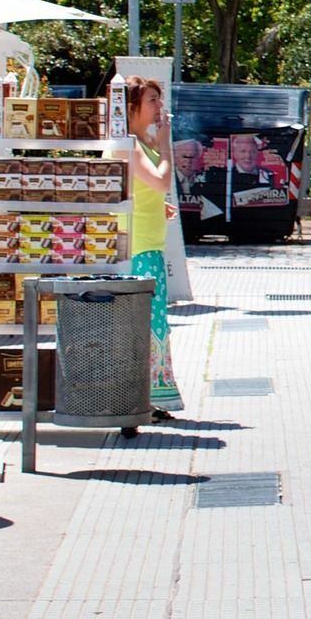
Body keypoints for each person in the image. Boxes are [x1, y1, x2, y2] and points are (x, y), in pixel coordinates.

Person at [124, 77, 182, 416]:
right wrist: (165, 145)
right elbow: (160, 180)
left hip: (147, 245)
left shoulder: (137, 144)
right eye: (152, 101)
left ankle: (150, 395)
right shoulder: (129, 144)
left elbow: (137, 187)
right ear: (132, 106)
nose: (159, 107)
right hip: (139, 248)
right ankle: (146, 397)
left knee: (153, 323)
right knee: (148, 324)